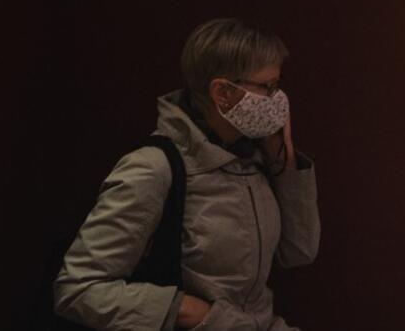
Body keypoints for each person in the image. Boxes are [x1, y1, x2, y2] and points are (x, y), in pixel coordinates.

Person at [54, 18, 320, 330]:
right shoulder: (154, 167)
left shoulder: (251, 157)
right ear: (222, 92)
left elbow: (300, 251)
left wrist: (283, 162)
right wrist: (191, 312)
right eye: (267, 87)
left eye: (278, 86)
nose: (278, 100)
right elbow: (77, 288)